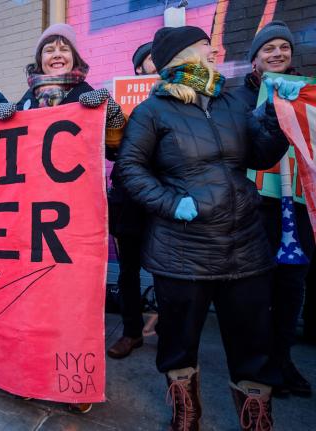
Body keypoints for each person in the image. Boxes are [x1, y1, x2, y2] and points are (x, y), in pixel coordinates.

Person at [117, 26, 297, 430]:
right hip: (182, 250)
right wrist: (171, 203)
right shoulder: (153, 111)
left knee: (253, 342)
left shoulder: (230, 101)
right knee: (178, 342)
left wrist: (276, 117)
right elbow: (129, 168)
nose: (214, 51)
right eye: (205, 46)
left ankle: (256, 417)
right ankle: (186, 412)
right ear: (182, 56)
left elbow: (260, 155)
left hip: (243, 245)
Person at [0, 23, 127, 415]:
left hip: (72, 218)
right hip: (30, 217)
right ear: (39, 60)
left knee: (73, 300)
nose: (56, 54)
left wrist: (111, 112)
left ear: (74, 57)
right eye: (49, 49)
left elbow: (117, 147)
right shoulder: (27, 100)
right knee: (29, 298)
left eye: (63, 48)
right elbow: (0, 153)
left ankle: (76, 380)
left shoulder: (88, 94)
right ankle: (30, 374)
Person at [235, 20, 312, 399]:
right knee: (258, 291)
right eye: (268, 48)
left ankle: (282, 359)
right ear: (255, 60)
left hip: (297, 207)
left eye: (284, 47)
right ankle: (261, 364)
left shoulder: (306, 95)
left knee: (290, 290)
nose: (277, 53)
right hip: (257, 209)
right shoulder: (240, 99)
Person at [105, 41, 156, 360]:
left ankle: (172, 330)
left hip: (164, 197)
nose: (159, 61)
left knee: (168, 271)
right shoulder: (125, 102)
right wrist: (112, 120)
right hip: (128, 199)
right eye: (152, 58)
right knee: (128, 271)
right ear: (139, 68)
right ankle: (131, 332)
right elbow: (113, 152)